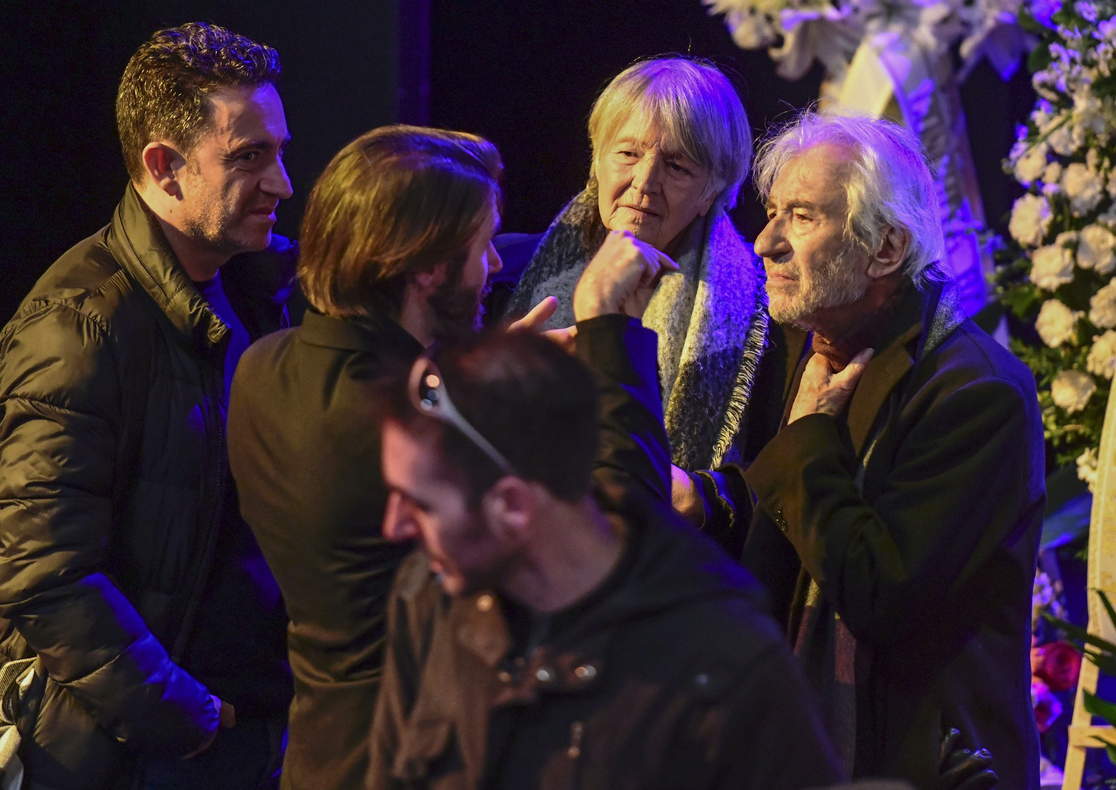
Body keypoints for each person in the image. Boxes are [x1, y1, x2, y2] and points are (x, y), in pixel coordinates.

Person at [0, 22, 296, 790]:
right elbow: (46, 579)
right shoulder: (79, 329)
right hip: (111, 748)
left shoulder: (251, 291)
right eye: (250, 156)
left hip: (222, 730)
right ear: (164, 167)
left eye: (280, 151)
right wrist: (189, 719)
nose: (283, 183)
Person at [367, 234, 844, 790]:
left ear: (514, 508)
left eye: (421, 503)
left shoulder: (726, 666)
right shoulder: (428, 595)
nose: (393, 525)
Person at [674, 111, 1044, 788]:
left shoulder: (976, 393)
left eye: (802, 216)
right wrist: (707, 500)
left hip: (926, 769)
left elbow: (877, 590)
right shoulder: (815, 342)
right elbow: (781, 510)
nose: (764, 242)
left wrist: (812, 435)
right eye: (772, 211)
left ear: (886, 249)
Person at [227, 125, 556, 790]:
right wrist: (615, 338)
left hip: (320, 754)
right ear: (426, 266)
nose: (494, 264)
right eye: (481, 244)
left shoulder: (262, 368)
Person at [502, 55, 768, 472]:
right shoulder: (503, 271)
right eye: (627, 153)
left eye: (676, 166)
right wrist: (493, 379)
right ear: (596, 161)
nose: (644, 182)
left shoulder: (764, 308)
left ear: (712, 191)